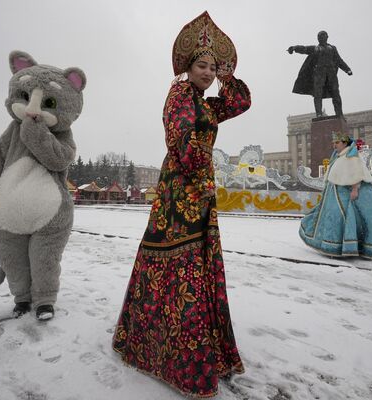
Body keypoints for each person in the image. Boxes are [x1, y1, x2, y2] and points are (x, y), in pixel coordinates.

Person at [112, 11, 251, 398]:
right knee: (182, 265)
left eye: (212, 66)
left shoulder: (206, 103)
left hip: (198, 190)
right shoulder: (179, 96)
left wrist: (227, 77)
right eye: (202, 66)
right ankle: (178, 357)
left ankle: (189, 349)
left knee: (193, 265)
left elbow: (239, 102)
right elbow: (183, 144)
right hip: (181, 191)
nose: (207, 72)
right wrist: (202, 178)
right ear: (186, 68)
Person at [299, 132, 372, 259]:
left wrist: (355, 189)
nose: (334, 145)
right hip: (336, 192)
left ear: (345, 143)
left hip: (346, 193)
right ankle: (336, 245)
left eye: (337, 143)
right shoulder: (340, 156)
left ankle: (342, 246)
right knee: (334, 218)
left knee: (342, 217)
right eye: (333, 143)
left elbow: (356, 173)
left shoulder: (351, 156)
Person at [287, 30, 352, 117]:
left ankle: (339, 114)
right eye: (318, 37)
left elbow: (339, 60)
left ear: (327, 37)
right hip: (319, 75)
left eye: (322, 36)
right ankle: (319, 114)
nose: (320, 38)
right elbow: (304, 49)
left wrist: (347, 69)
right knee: (318, 94)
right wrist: (294, 48)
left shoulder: (332, 48)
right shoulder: (315, 49)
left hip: (331, 75)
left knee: (336, 93)